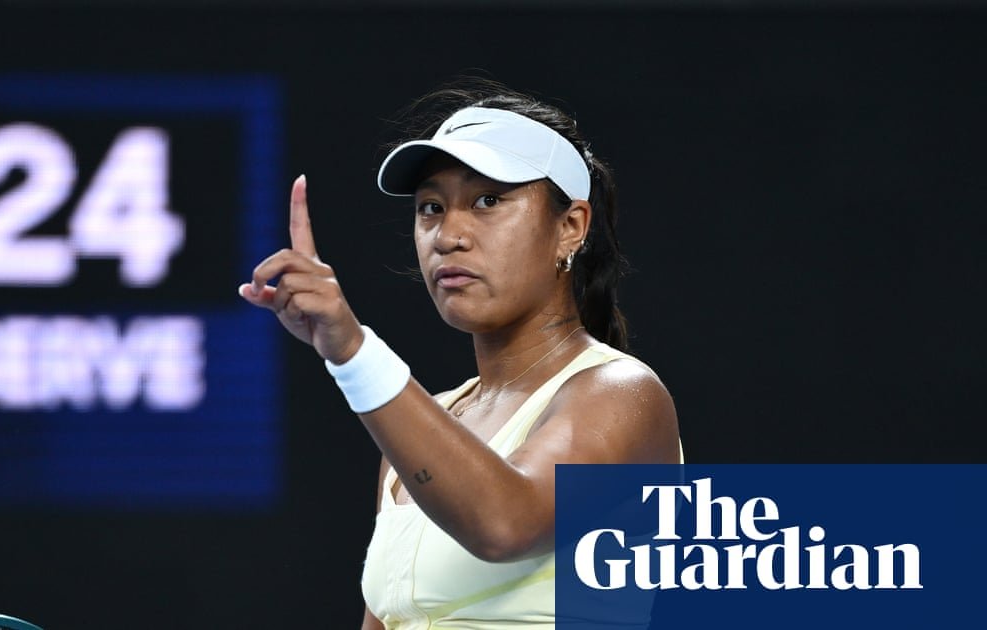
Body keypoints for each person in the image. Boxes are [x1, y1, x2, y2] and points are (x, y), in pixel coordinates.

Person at [239, 80, 681, 629]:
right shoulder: (427, 427)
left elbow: (505, 524)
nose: (448, 235)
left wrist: (353, 351)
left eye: (488, 200)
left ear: (570, 227)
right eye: (431, 207)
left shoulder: (621, 393)